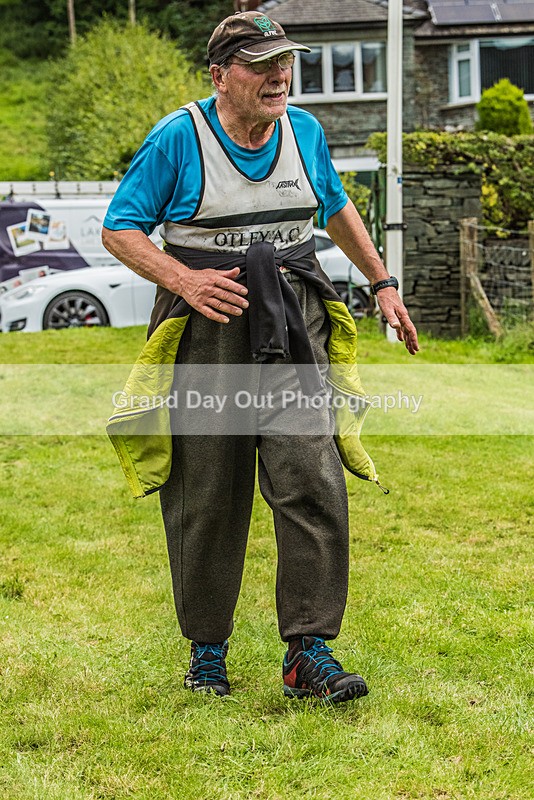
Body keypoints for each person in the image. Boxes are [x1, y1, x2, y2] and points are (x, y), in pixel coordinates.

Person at [102, 11, 419, 704]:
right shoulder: (178, 138)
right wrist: (183, 279)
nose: (281, 76)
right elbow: (119, 227)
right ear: (221, 75)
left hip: (293, 319)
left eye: (286, 63)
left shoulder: (303, 132)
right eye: (262, 64)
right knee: (208, 493)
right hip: (210, 326)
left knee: (311, 476)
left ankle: (308, 651)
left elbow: (335, 208)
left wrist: (383, 283)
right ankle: (208, 651)